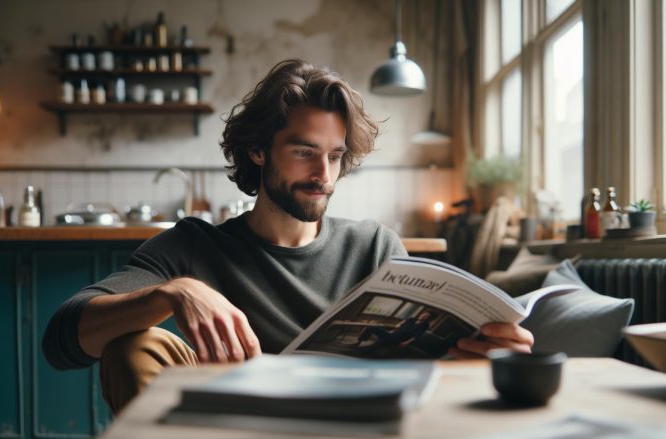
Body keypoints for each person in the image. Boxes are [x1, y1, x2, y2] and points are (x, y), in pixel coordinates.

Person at [42, 59, 534, 414]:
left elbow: (418, 376)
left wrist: (480, 356)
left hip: (351, 426)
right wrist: (177, 290)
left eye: (336, 156)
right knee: (135, 346)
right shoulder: (193, 246)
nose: (324, 173)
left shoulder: (375, 247)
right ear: (257, 151)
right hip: (231, 427)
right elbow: (63, 340)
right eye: (304, 151)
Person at [355, 311, 437, 351]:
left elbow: (416, 336)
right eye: (424, 314)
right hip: (392, 334)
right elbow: (400, 326)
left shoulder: (425, 326)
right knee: (371, 327)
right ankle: (358, 342)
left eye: (426, 316)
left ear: (429, 319)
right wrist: (392, 330)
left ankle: (364, 351)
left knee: (383, 341)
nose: (423, 316)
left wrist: (406, 342)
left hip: (400, 339)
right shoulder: (411, 319)